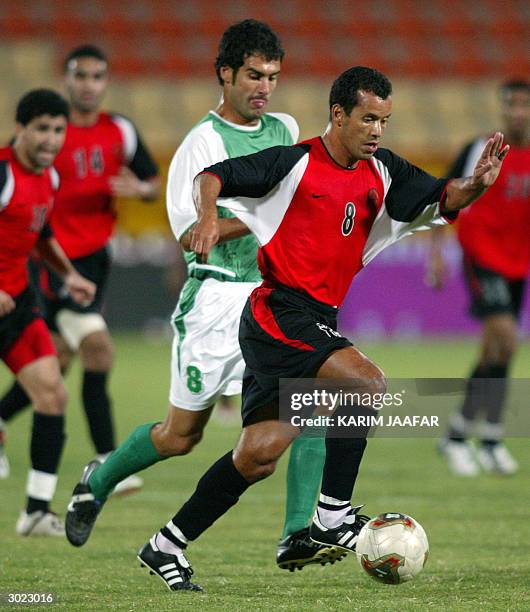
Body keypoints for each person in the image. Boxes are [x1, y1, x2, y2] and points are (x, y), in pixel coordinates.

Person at [67, 65, 509, 591]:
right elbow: (211, 176)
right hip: (278, 312)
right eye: (367, 118)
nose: (376, 131)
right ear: (338, 114)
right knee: (365, 384)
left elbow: (445, 197)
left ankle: (166, 545)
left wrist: (477, 185)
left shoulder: (385, 171)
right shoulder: (292, 163)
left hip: (310, 318)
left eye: (384, 121)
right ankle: (330, 515)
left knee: (257, 455)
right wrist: (208, 217)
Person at [64, 20, 344, 572]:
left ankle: (298, 535)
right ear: (225, 74)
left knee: (312, 404)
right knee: (180, 436)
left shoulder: (285, 126)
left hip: (272, 298)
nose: (264, 87)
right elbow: (194, 232)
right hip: (215, 302)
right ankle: (98, 481)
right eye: (252, 76)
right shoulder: (202, 144)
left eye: (273, 76)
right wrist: (269, 214)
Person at [0, 45, 160, 494]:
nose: (88, 84)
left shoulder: (120, 131)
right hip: (49, 257)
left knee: (58, 357)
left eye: (96, 76)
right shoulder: (46, 132)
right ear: (67, 80)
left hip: (93, 259)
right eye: (80, 75)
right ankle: (108, 458)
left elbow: (152, 183)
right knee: (97, 349)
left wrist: (140, 189)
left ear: (105, 83)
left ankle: (8, 431)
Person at [0, 89, 95, 535]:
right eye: (41, 128)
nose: (51, 139)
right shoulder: (3, 173)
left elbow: (40, 234)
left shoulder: (50, 179)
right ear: (20, 128)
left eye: (58, 130)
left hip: (17, 305)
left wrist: (68, 275)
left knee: (52, 394)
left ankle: (37, 511)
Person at [430, 79, 529, 476]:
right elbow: (443, 196)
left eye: (524, 104)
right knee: (505, 336)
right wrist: (436, 254)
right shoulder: (480, 149)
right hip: (482, 254)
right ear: (502, 107)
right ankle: (472, 438)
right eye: (512, 104)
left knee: (500, 349)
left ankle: (474, 437)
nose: (518, 111)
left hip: (518, 261)